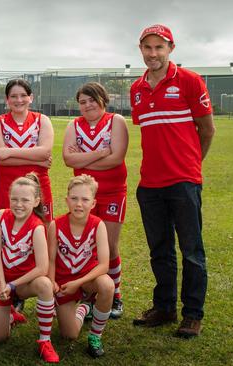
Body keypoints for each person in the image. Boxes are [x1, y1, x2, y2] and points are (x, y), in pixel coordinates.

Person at [130, 24, 215, 338]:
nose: (153, 53)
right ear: (141, 49)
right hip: (150, 184)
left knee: (192, 251)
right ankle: (164, 308)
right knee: (160, 250)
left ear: (170, 49)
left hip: (183, 181)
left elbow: (207, 131)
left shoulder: (190, 81)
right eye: (148, 48)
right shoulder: (137, 89)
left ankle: (192, 314)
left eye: (159, 48)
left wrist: (192, 166)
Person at [62, 82, 128, 318]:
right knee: (88, 246)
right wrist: (100, 152)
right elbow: (69, 160)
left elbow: (116, 158)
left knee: (109, 246)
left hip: (112, 192)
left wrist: (83, 159)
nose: (87, 105)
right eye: (83, 101)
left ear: (102, 99)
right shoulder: (74, 124)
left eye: (92, 99)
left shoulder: (116, 121)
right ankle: (90, 296)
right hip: (84, 196)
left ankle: (115, 295)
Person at [0, 174, 59, 363]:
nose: (18, 204)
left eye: (25, 200)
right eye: (14, 199)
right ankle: (10, 312)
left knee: (45, 284)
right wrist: (3, 283)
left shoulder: (37, 227)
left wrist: (12, 285)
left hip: (22, 282)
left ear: (36, 201)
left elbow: (43, 267)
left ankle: (45, 340)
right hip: (0, 279)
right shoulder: (1, 216)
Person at [48, 175, 114, 358]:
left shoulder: (98, 225)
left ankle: (95, 336)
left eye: (85, 199)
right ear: (66, 200)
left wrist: (79, 282)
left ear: (93, 203)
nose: (79, 204)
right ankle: (84, 308)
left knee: (107, 285)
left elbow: (104, 265)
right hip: (64, 282)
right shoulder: (56, 225)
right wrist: (52, 281)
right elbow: (51, 259)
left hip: (88, 277)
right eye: (74, 198)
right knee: (69, 335)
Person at [0, 79, 54, 219]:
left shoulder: (42, 120)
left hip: (38, 185)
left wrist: (9, 152)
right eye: (13, 96)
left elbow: (45, 152)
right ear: (7, 99)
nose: (19, 100)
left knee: (42, 231)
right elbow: (1, 160)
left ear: (30, 97)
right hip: (7, 186)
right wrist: (37, 161)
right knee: (7, 232)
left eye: (23, 95)